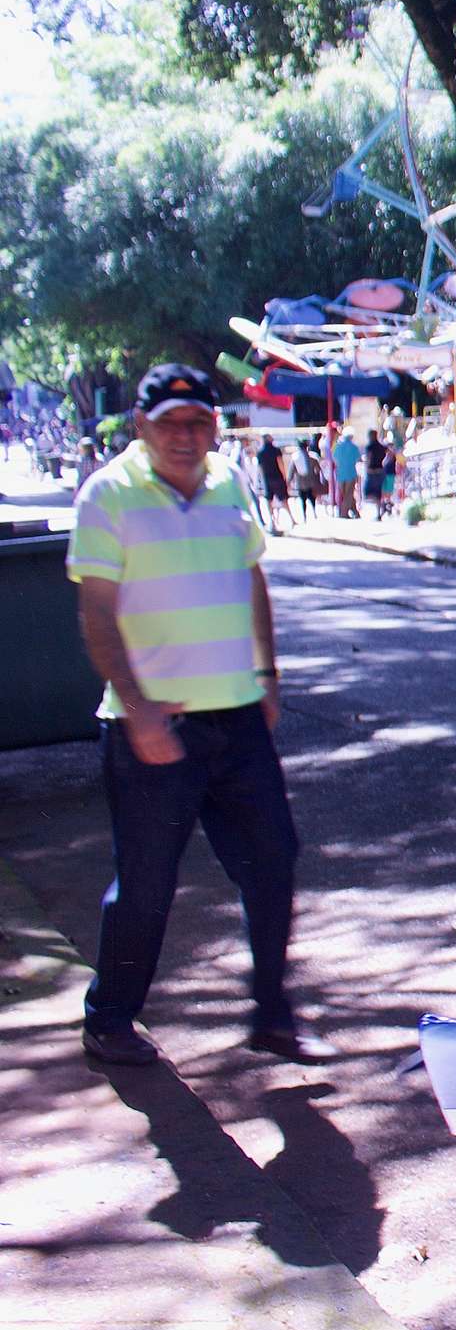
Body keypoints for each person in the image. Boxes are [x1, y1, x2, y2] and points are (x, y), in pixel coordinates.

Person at [64, 364, 331, 1066]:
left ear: (216, 426)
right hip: (153, 726)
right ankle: (109, 1018)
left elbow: (251, 581)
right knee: (147, 883)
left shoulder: (229, 483)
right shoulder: (109, 495)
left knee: (273, 860)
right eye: (171, 423)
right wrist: (142, 708)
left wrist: (267, 674)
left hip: (238, 719)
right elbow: (95, 612)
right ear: (142, 427)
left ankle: (273, 1014)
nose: (186, 436)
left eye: (199, 422)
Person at [255, 434, 290, 532]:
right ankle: (292, 519)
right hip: (277, 477)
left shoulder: (260, 453)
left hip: (267, 479)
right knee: (284, 499)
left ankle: (272, 521)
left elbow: (260, 468)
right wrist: (285, 476)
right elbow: (280, 464)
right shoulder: (276, 450)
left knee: (269, 501)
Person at [330, 426, 360, 518]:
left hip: (340, 474)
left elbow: (334, 459)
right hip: (351, 473)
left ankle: (355, 512)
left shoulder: (338, 447)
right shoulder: (354, 447)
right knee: (349, 494)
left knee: (345, 494)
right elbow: (358, 458)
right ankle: (343, 513)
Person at [292, 438, 323, 523]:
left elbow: (291, 471)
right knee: (312, 498)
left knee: (303, 500)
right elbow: (318, 469)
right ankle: (314, 512)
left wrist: (289, 481)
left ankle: (304, 516)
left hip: (300, 482)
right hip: (311, 482)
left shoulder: (295, 457)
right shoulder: (312, 457)